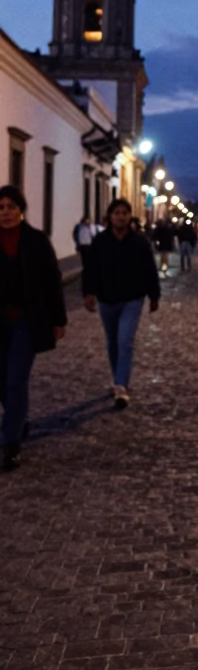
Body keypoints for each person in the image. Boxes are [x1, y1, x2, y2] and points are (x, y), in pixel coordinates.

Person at [0, 185, 66, 470]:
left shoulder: (36, 241)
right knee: (3, 382)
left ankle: (10, 443)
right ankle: (18, 417)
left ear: (21, 209)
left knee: (16, 380)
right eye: (1, 208)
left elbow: (53, 279)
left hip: (26, 321)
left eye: (10, 207)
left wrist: (58, 319)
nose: (5, 213)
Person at [83, 197, 160, 409]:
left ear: (129, 216)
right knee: (112, 342)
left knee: (125, 339)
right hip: (107, 299)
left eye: (124, 213)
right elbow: (91, 269)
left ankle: (121, 385)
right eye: (116, 213)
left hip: (132, 298)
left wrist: (154, 295)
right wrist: (89, 292)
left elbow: (149, 270)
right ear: (110, 217)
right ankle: (118, 376)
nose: (120, 217)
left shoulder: (139, 242)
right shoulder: (100, 242)